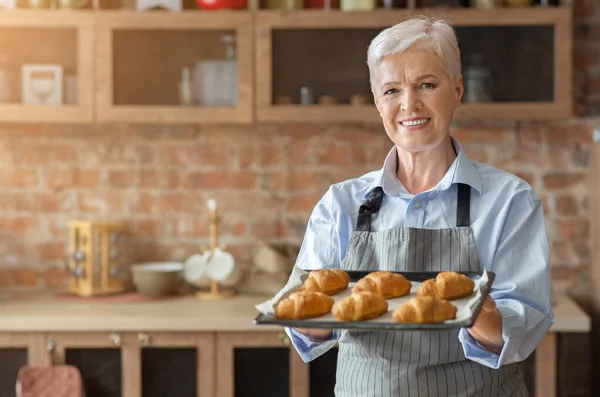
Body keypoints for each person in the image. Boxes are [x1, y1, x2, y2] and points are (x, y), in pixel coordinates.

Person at [283, 15, 554, 397]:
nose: (409, 104)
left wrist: (483, 314)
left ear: (457, 90)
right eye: (392, 90)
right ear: (378, 104)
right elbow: (308, 329)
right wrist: (309, 317)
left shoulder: (509, 201)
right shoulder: (340, 204)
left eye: (426, 84)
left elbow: (522, 326)